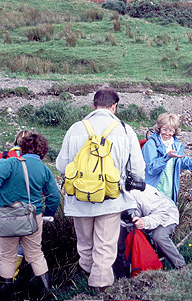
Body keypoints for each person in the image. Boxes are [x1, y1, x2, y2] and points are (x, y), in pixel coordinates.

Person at [56, 87, 146, 292]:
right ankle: (100, 287)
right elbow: (138, 170)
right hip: (111, 198)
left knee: (85, 244)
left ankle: (87, 276)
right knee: (105, 245)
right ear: (114, 107)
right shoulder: (124, 129)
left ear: (93, 105)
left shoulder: (76, 128)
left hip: (79, 198)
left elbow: (61, 166)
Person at [0, 132, 60, 292]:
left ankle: (6, 294)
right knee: (35, 254)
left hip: (7, 216)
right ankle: (47, 291)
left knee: (7, 256)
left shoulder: (10, 163)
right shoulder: (44, 169)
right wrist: (48, 214)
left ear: (22, 146)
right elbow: (54, 196)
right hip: (34, 217)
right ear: (43, 151)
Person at [113, 185, 185, 279]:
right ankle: (122, 279)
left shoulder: (140, 194)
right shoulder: (112, 200)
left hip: (166, 216)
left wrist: (145, 222)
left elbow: (163, 212)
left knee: (159, 237)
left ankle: (180, 266)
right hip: (140, 219)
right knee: (118, 243)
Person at [142, 113, 192, 204]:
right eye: (164, 129)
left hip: (169, 191)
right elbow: (152, 169)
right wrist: (167, 157)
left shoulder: (176, 145)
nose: (167, 133)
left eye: (171, 130)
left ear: (175, 131)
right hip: (153, 191)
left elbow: (181, 162)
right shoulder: (151, 144)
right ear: (159, 128)